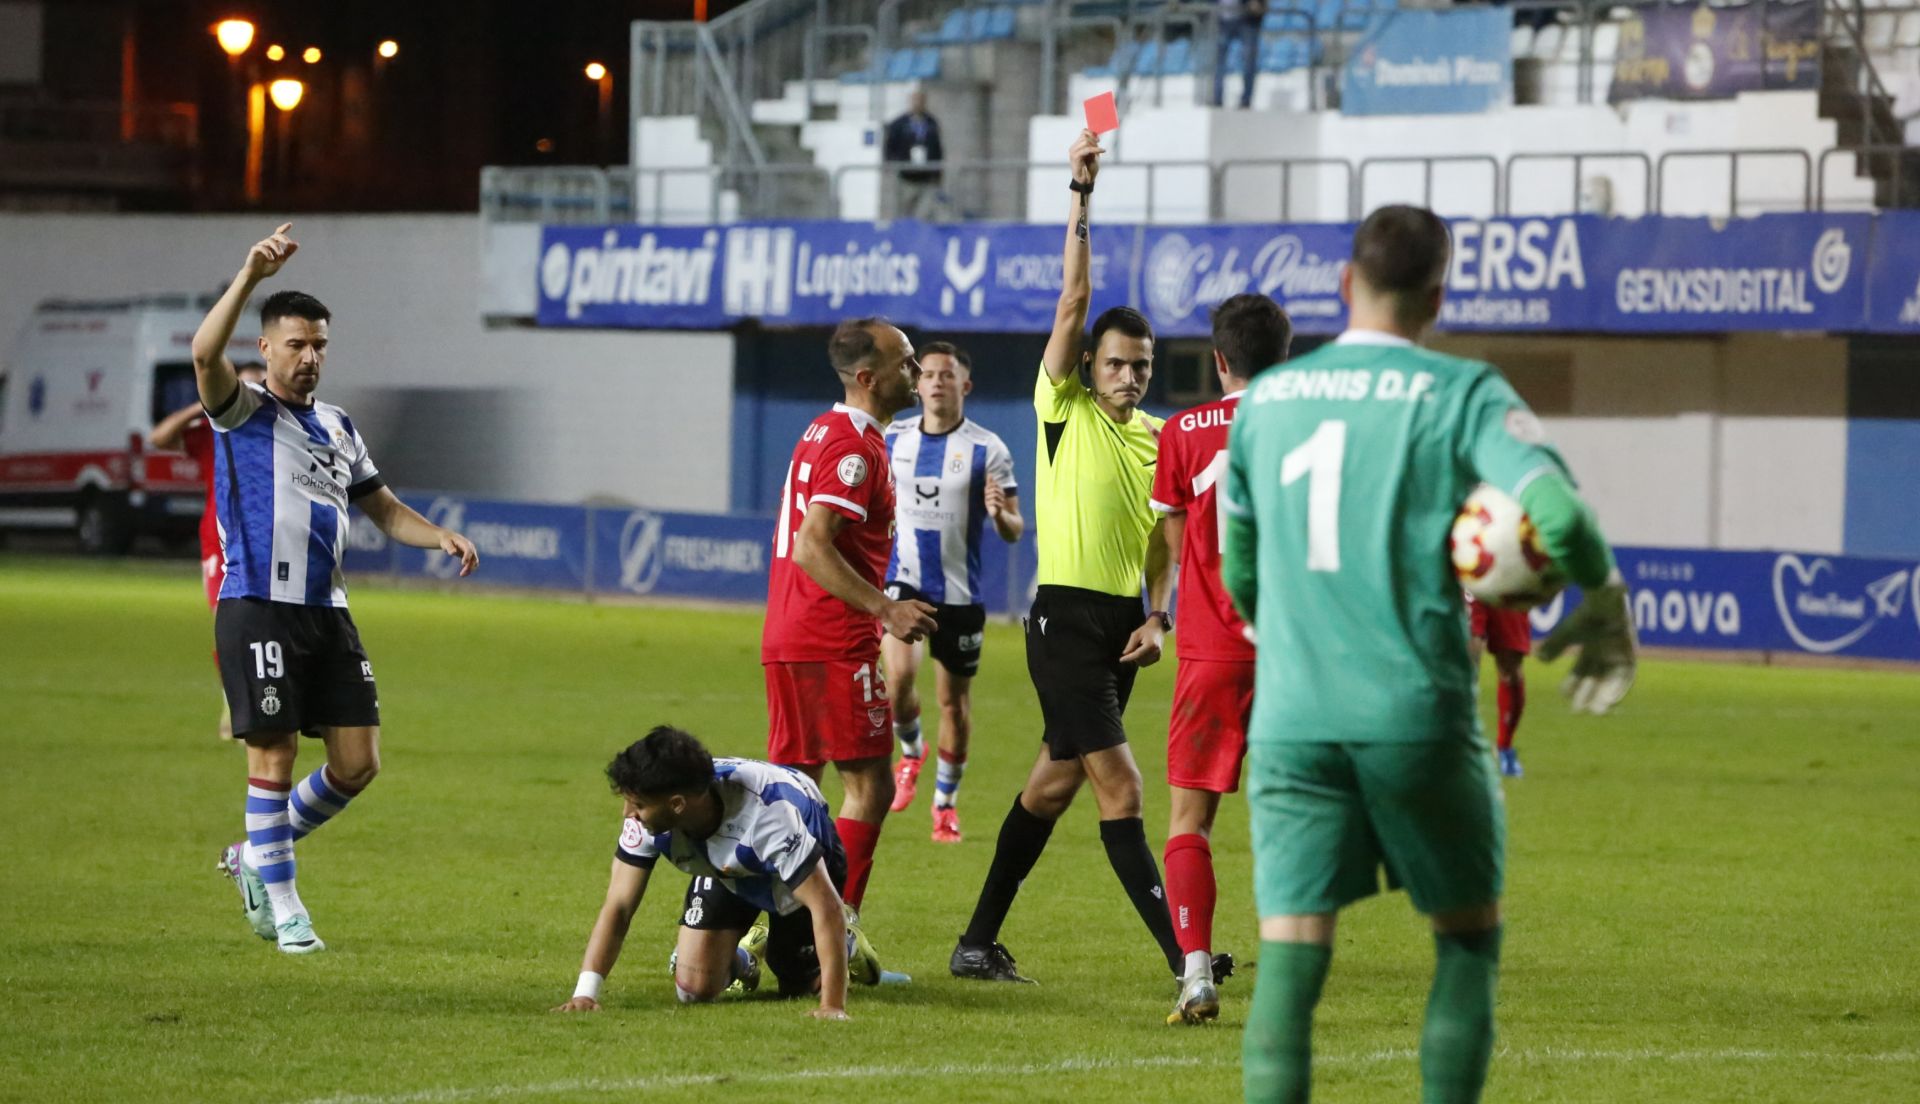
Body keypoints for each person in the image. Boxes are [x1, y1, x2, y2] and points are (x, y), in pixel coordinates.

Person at [1221, 205, 1636, 1103]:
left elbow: (1240, 578)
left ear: (1343, 285)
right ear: (1437, 298)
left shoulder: (1265, 405)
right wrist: (1603, 601)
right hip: (1418, 717)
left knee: (1290, 968)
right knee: (1466, 941)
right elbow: (1559, 518)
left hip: (1293, 723)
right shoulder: (1462, 392)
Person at [949, 130, 1190, 995]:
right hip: (1064, 622)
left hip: (1126, 626)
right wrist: (1080, 195)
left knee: (1050, 789)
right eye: (1117, 363)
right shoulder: (1064, 409)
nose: (1130, 375)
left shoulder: (1163, 439)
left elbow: (1167, 540)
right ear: (1089, 364)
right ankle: (1184, 958)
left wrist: (1159, 615)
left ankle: (976, 942)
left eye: (1143, 366)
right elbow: (1071, 297)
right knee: (1120, 789)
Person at [197, 223, 480, 955]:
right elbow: (203, 353)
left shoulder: (337, 425)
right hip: (259, 603)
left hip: (328, 613)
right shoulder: (242, 412)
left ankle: (253, 854)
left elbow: (382, 509)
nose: (309, 356)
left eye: (319, 343)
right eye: (295, 343)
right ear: (265, 348)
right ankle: (286, 907)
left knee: (358, 763)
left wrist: (437, 534)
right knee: (275, 755)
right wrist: (249, 274)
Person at [762, 318, 936, 927]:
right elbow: (813, 546)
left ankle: (767, 931)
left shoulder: (820, 429)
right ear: (868, 378)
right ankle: (835, 930)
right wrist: (886, 608)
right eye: (906, 362)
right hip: (832, 639)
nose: (916, 373)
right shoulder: (854, 447)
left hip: (789, 633)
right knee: (870, 788)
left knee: (790, 795)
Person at [1148, 292, 1292, 1024]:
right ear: (1286, 355)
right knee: (1298, 815)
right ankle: (1298, 972)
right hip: (1300, 655)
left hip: (1213, 653)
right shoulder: (1312, 424)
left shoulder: (1182, 432)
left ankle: (1197, 973)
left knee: (1188, 821)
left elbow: (1174, 544)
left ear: (1218, 360)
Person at [552, 726, 879, 1019]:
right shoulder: (656, 816)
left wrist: (832, 1007)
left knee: (796, 981)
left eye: (637, 805)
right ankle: (743, 958)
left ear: (677, 804)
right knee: (693, 989)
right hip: (727, 868)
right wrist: (585, 993)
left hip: (800, 859)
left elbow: (825, 907)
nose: (628, 814)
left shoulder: (772, 818)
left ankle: (845, 940)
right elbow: (619, 905)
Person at [881, 341, 1024, 844]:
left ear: (965, 386)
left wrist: (1001, 514)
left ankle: (945, 804)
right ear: (916, 385)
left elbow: (1014, 528)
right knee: (896, 681)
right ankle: (911, 752)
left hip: (960, 596)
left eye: (948, 374)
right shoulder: (892, 438)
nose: (937, 381)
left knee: (954, 705)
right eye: (929, 374)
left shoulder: (989, 449)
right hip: (904, 582)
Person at [151, 359, 268, 739]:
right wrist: (201, 405)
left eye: (257, 389)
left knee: (270, 624)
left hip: (266, 540)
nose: (249, 396)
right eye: (242, 388)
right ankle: (233, 703)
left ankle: (270, 703)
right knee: (227, 624)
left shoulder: (276, 432)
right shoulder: (212, 431)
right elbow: (160, 438)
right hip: (218, 541)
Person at [1465, 591, 1530, 777]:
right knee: (1469, 655)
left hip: (1506, 579)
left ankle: (1505, 747)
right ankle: (1464, 747)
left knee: (1511, 670)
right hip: (1469, 573)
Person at [882, 90, 946, 221]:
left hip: (927, 176)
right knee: (904, 210)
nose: (918, 104)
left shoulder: (931, 123)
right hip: (907, 176)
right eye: (915, 100)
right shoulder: (900, 123)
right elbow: (890, 145)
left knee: (925, 212)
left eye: (920, 101)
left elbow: (938, 147)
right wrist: (892, 162)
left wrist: (938, 172)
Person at [1213, 1, 1267, 109]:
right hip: (1223, 20)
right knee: (1218, 64)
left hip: (1247, 20)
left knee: (1249, 62)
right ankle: (1217, 99)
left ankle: (1246, 100)